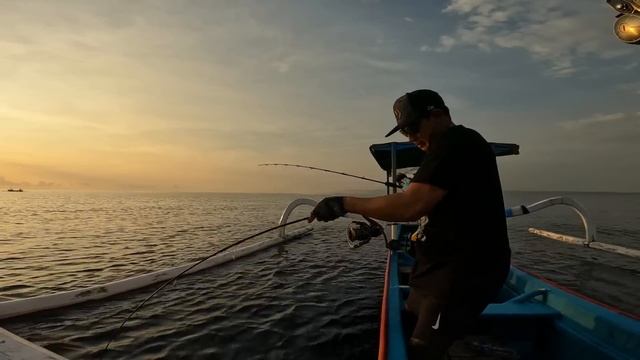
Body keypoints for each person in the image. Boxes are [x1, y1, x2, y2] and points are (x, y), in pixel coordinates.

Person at [308, 89, 511, 359]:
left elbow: (410, 205)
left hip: (458, 273)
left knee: (422, 348)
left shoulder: (455, 142)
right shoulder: (450, 147)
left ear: (437, 114)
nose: (411, 137)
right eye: (405, 132)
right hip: (435, 268)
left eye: (413, 127)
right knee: (411, 315)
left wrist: (343, 203)